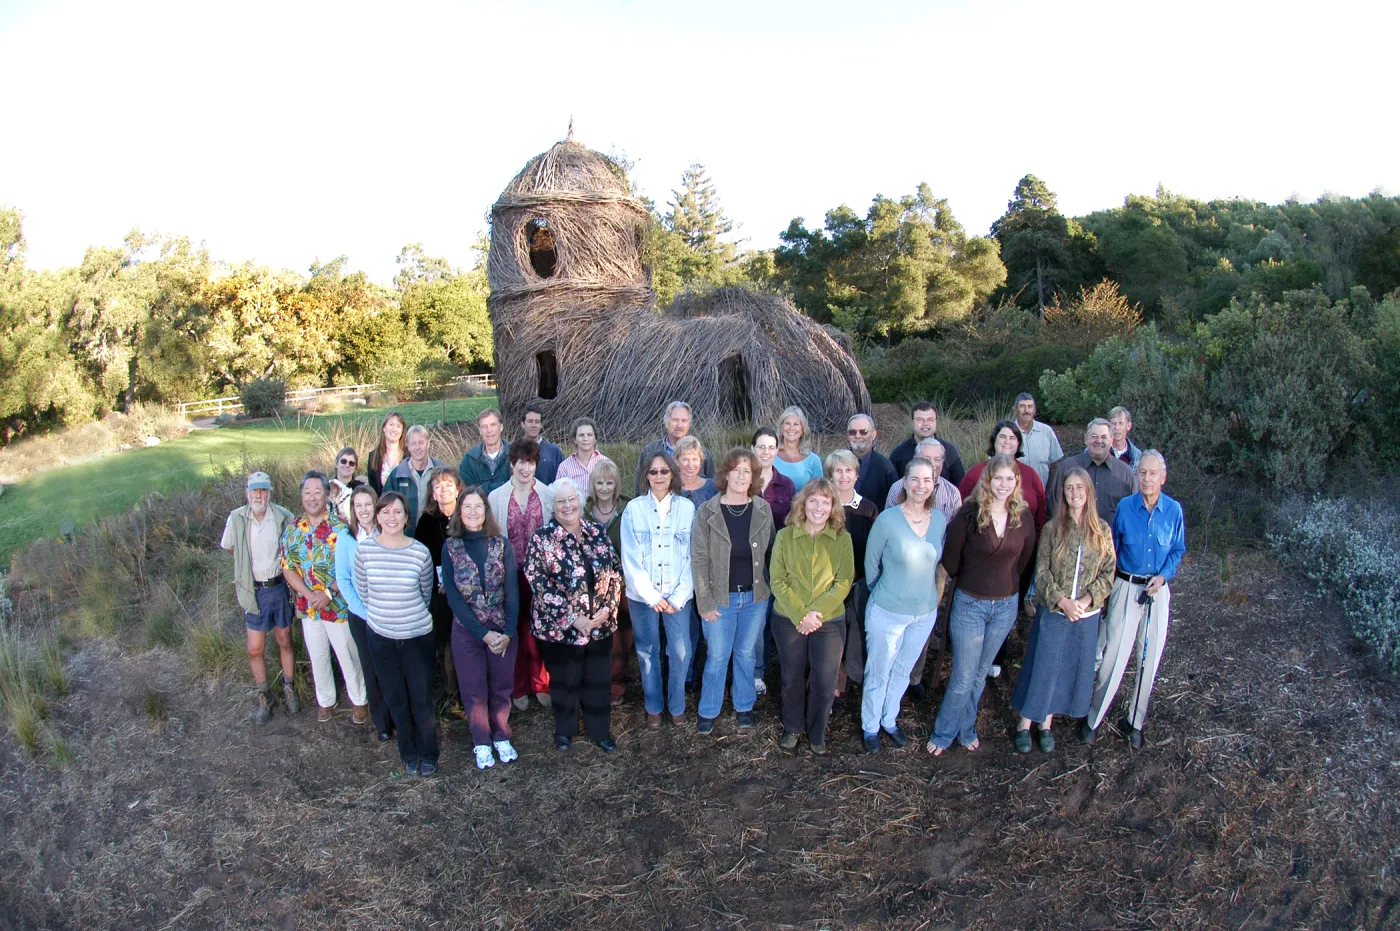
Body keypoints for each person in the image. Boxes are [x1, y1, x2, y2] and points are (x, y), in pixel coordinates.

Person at [926, 455, 1038, 756]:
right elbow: (950, 560)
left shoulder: (1023, 517)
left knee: (980, 673)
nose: (1004, 484)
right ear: (988, 480)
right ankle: (944, 732)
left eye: (1010, 479)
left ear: (1017, 483)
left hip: (1005, 607)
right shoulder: (968, 514)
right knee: (963, 675)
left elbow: (1024, 563)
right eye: (998, 478)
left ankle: (967, 729)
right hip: (970, 604)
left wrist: (1008, 589)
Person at [1082, 451, 1186, 749]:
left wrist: (1164, 576)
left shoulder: (1174, 511)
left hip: (1157, 591)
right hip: (1127, 588)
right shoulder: (1126, 508)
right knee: (1113, 656)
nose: (1147, 479)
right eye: (1142, 473)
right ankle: (1094, 717)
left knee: (1148, 658)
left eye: (1153, 474)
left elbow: (1177, 549)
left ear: (1163, 477)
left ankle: (1135, 721)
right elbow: (1111, 550)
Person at [1010, 467, 1116, 753]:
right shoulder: (1053, 528)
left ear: (1089, 492)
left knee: (1064, 670)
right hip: (1055, 612)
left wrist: (1084, 602)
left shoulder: (1102, 530)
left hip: (1085, 616)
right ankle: (1025, 723)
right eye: (1069, 488)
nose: (1075, 493)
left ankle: (1046, 724)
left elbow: (1108, 573)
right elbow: (1041, 571)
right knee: (1043, 666)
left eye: (1080, 487)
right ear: (1063, 493)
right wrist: (1062, 601)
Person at [524, 477, 623, 752]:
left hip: (600, 625)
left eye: (571, 499)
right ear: (552, 506)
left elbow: (615, 572)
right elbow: (538, 582)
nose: (567, 506)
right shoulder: (542, 539)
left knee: (598, 679)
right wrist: (572, 619)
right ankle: (565, 731)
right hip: (560, 629)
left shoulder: (597, 532)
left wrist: (608, 608)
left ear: (580, 500)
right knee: (565, 681)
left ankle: (599, 730)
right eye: (560, 501)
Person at [861, 458, 947, 753]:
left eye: (927, 480)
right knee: (879, 670)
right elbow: (871, 565)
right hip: (887, 610)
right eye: (914, 479)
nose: (920, 486)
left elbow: (938, 565)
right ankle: (870, 726)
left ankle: (889, 719)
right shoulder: (887, 519)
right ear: (904, 482)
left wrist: (932, 599)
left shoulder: (939, 520)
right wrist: (885, 592)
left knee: (902, 670)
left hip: (923, 613)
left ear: (933, 485)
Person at [354, 492, 438, 776]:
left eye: (397, 512)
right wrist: (386, 617)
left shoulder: (419, 552)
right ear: (377, 516)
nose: (391, 517)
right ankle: (409, 752)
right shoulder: (364, 552)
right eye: (386, 512)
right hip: (382, 639)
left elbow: (425, 594)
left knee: (421, 700)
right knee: (397, 700)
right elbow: (364, 593)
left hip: (416, 638)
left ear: (406, 517)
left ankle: (428, 753)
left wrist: (406, 618)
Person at [692, 448, 775, 734]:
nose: (741, 476)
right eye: (736, 470)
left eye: (747, 471)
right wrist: (704, 601)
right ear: (726, 473)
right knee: (717, 655)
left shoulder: (762, 510)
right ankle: (709, 708)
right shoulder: (707, 511)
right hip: (719, 598)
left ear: (753, 477)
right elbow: (699, 559)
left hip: (754, 598)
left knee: (746, 653)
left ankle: (744, 705)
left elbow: (772, 553)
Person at [770, 477, 854, 754]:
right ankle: (793, 727)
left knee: (824, 678)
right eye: (813, 500)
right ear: (803, 504)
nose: (819, 507)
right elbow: (778, 580)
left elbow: (844, 581)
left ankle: (817, 732)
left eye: (826, 502)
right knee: (792, 676)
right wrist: (800, 614)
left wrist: (815, 614)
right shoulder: (785, 536)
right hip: (789, 618)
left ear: (833, 507)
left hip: (828, 621)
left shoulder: (842, 539)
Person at [443, 486, 521, 770]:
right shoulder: (451, 547)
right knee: (474, 689)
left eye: (478, 507)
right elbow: (452, 595)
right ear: (459, 513)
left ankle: (501, 735)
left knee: (501, 686)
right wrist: (481, 633)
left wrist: (508, 632)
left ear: (486, 511)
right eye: (467, 508)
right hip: (468, 631)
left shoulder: (501, 544)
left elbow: (512, 590)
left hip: (501, 629)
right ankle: (481, 741)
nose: (473, 512)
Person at [279, 471, 366, 724]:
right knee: (317, 656)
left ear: (327, 495)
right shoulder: (293, 531)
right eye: (307, 493)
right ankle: (326, 701)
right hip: (309, 609)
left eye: (317, 492)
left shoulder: (341, 527)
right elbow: (288, 568)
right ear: (301, 496)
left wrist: (328, 592)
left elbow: (352, 566)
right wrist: (308, 595)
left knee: (348, 654)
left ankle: (360, 700)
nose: (312, 497)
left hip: (337, 606)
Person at [621, 451, 696, 727]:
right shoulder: (634, 509)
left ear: (673, 475)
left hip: (678, 595)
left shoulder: (687, 509)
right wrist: (651, 596)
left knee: (680, 650)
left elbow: (692, 556)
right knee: (648, 650)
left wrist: (677, 596)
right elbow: (630, 558)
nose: (659, 476)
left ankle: (676, 705)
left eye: (665, 471)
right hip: (643, 597)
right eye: (654, 472)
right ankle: (653, 705)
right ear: (646, 476)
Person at [221, 471, 297, 723]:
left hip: (279, 588)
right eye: (254, 490)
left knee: (284, 640)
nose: (259, 495)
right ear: (247, 493)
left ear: (270, 493)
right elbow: (231, 547)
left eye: (263, 490)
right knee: (255, 649)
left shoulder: (283, 517)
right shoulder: (237, 519)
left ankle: (289, 687)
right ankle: (264, 695)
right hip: (253, 591)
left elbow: (294, 549)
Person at [488, 438, 556, 711]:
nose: (526, 468)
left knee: (539, 630)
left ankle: (541, 684)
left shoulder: (548, 495)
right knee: (514, 630)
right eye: (520, 463)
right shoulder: (497, 497)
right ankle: (518, 687)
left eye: (531, 462)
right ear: (512, 464)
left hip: (541, 575)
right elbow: (493, 539)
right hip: (511, 575)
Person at [334, 484, 392, 739]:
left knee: (392, 667)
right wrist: (365, 612)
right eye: (358, 506)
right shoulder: (346, 539)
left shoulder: (388, 532)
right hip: (362, 617)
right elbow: (343, 581)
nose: (364, 510)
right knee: (371, 668)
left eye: (368, 504)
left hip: (390, 613)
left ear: (376, 506)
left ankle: (397, 715)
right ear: (352, 510)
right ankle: (382, 723)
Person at [827, 449, 879, 705]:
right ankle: (832, 686)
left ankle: (847, 679)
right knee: (831, 636)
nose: (844, 476)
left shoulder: (867, 509)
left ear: (856, 475)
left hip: (857, 583)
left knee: (853, 634)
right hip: (826, 585)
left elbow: (874, 550)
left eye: (849, 470)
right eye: (838, 471)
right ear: (831, 475)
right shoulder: (823, 505)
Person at [413, 467, 465, 700]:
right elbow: (424, 560)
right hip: (440, 591)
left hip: (467, 589)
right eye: (438, 486)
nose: (443, 490)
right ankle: (452, 691)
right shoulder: (426, 521)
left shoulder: (468, 515)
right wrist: (440, 583)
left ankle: (471, 688)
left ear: (458, 490)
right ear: (432, 493)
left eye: (448, 485)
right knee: (446, 643)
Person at [586, 457, 633, 703]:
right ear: (593, 485)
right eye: (600, 483)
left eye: (610, 483)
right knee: (594, 635)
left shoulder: (628, 509)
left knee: (620, 636)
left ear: (616, 486)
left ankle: (617, 683)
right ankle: (595, 681)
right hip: (591, 587)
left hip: (623, 584)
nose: (605, 488)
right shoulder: (583, 512)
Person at [958, 421, 1048, 531]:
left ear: (1018, 443)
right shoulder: (975, 473)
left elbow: (1041, 514)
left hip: (1027, 542)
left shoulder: (1030, 474)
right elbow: (961, 508)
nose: (1007, 441)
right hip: (982, 540)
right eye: (1002, 437)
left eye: (1012, 438)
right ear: (994, 441)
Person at [1045, 418, 1137, 525]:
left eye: (1104, 437)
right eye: (1094, 436)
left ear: (1111, 440)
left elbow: (1132, 514)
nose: (1099, 441)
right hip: (1072, 539)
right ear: (1085, 439)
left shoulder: (1125, 473)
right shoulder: (1068, 467)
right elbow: (1053, 507)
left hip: (1112, 540)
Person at [633, 401, 714, 497]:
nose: (679, 425)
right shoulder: (649, 451)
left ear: (689, 424)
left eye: (684, 421)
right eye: (675, 420)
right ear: (666, 422)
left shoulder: (703, 453)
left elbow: (713, 487)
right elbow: (640, 487)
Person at [384, 425, 448, 528]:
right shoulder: (397, 475)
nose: (417, 447)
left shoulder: (442, 470)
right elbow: (385, 506)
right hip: (405, 535)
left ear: (428, 443)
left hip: (436, 535)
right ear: (408, 446)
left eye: (421, 442)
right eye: (413, 443)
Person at [889, 402, 966, 487]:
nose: (925, 424)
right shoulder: (899, 453)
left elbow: (960, 485)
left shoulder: (949, 450)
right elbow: (892, 487)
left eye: (930, 420)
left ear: (936, 422)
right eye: (920, 420)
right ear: (912, 422)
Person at [885, 437, 962, 521]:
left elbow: (956, 530)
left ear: (942, 461)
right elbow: (887, 523)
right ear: (915, 458)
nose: (932, 464)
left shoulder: (953, 493)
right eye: (926, 459)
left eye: (937, 459)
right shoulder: (897, 488)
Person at [846, 413, 898, 508]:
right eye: (852, 432)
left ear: (873, 435)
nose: (857, 436)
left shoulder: (886, 468)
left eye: (863, 432)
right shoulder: (837, 465)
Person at [1012, 392, 1064, 486]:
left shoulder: (1046, 431)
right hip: (1014, 496)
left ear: (1034, 410)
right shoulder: (1006, 433)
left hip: (1042, 495)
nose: (1026, 410)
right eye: (1022, 406)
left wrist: (1049, 493)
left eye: (1030, 406)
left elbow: (1055, 465)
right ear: (1015, 410)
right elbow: (995, 465)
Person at [458, 408, 511, 494]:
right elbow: (468, 493)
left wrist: (482, 488)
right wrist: (503, 486)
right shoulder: (469, 460)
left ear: (501, 427)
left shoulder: (517, 455)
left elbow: (520, 487)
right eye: (484, 426)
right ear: (480, 431)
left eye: (493, 425)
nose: (489, 430)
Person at [752, 428, 796, 528]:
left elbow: (792, 521)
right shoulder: (743, 482)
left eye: (771, 447)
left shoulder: (787, 484)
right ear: (752, 449)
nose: (766, 452)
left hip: (779, 542)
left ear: (776, 451)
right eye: (761, 447)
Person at [773, 405, 824, 488]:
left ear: (802, 430)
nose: (791, 428)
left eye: (796, 424)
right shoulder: (771, 456)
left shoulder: (814, 461)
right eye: (787, 423)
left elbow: (818, 492)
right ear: (781, 428)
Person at [520, 402, 565, 484]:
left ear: (541, 425)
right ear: (522, 424)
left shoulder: (554, 451)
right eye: (530, 421)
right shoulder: (514, 450)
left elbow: (563, 481)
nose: (534, 425)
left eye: (537, 422)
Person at [366, 412, 407, 495]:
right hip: (381, 506)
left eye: (398, 426)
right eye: (391, 424)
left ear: (402, 431)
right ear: (384, 428)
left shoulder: (408, 456)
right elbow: (373, 490)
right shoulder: (373, 456)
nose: (394, 429)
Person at [557, 417, 604, 488]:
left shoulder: (605, 463)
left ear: (595, 439)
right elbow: (559, 494)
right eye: (581, 435)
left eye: (589, 435)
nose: (585, 439)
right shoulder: (564, 467)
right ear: (574, 439)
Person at [675, 435, 718, 506]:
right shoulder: (668, 486)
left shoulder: (712, 487)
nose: (690, 465)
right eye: (685, 459)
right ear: (677, 461)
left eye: (695, 459)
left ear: (700, 461)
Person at [328, 446, 365, 523]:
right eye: (343, 461)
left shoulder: (361, 489)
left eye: (351, 463)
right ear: (336, 463)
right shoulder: (327, 487)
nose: (347, 465)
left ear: (355, 467)